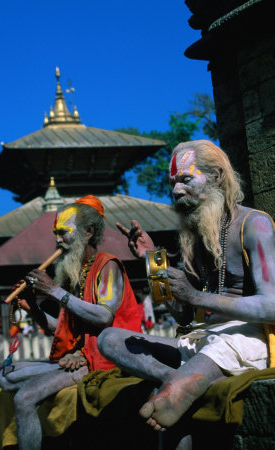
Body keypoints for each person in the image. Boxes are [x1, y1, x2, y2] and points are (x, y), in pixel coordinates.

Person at [97, 140, 275, 434]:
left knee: (167, 408)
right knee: (109, 339)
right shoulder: (195, 236)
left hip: (244, 339)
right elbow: (181, 316)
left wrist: (196, 296)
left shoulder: (255, 224)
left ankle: (179, 386)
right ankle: (178, 381)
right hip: (200, 340)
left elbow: (271, 306)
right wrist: (152, 262)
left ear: (216, 177)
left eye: (186, 179)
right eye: (173, 183)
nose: (176, 190)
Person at [0, 195, 142, 450]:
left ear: (88, 232)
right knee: (5, 376)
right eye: (55, 233)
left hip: (107, 359)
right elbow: (63, 332)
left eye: (63, 232)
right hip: (80, 357)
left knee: (24, 399)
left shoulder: (107, 266)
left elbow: (103, 316)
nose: (57, 240)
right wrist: (34, 310)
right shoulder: (75, 275)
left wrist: (53, 291)